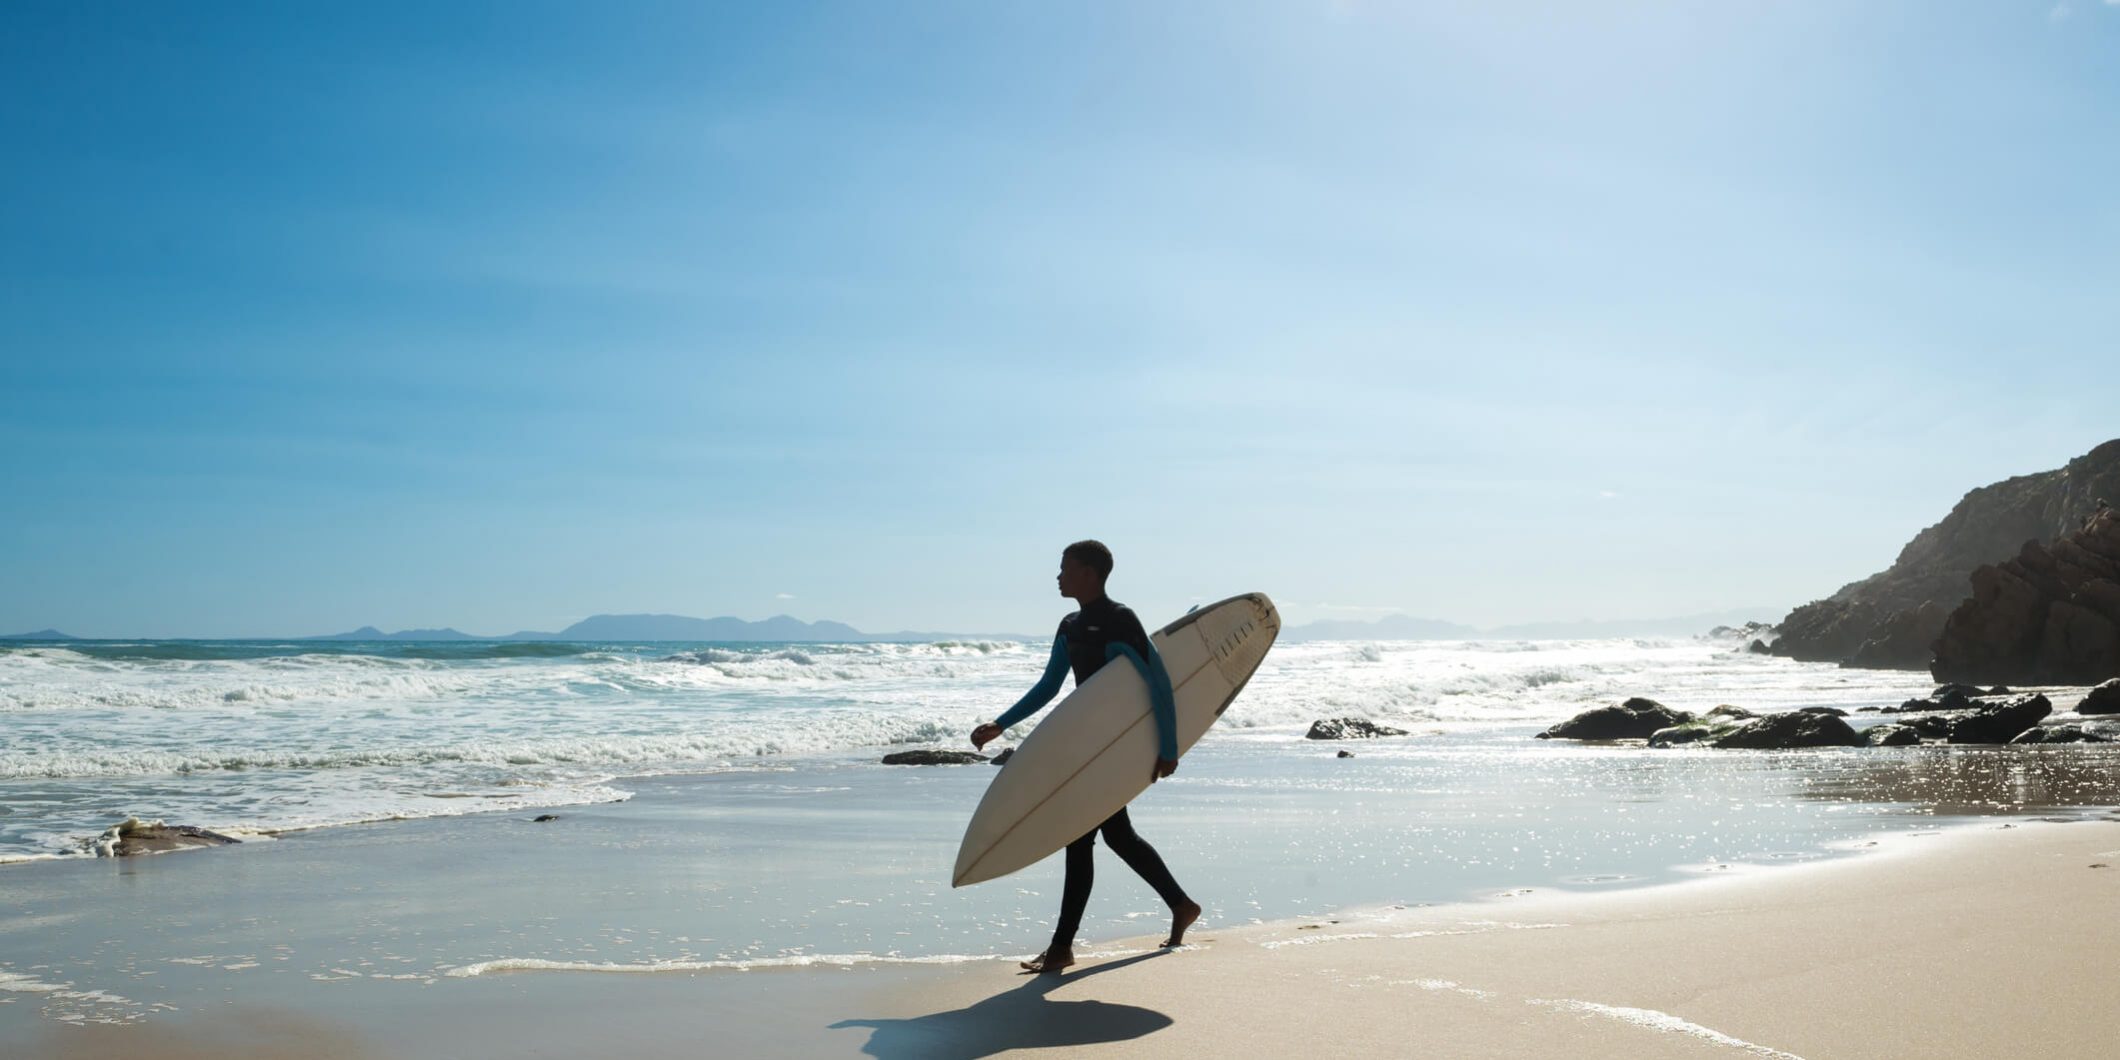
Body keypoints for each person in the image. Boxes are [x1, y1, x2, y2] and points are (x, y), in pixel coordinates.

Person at [970, 539, 1201, 974]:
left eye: (1065, 568)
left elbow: (1159, 682)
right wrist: (1002, 723)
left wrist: (1168, 749)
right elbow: (1049, 686)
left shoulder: (1120, 621)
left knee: (1080, 841)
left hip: (1112, 751)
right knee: (1117, 837)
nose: (1058, 576)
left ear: (1090, 573)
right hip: (1086, 751)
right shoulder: (1070, 624)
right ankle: (1181, 904)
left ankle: (1061, 948)